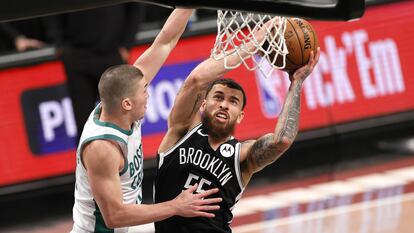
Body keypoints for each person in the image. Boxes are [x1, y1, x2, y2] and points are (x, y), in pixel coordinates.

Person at [153, 20, 321, 232]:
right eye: (218, 97)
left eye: (233, 101)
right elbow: (196, 80)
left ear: (240, 116)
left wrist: (296, 83)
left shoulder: (242, 154)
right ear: (203, 105)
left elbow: (282, 140)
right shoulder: (181, 132)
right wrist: (250, 46)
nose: (224, 104)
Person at [71, 9, 222, 233]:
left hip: (127, 226)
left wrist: (187, 6)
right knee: (183, 217)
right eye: (144, 91)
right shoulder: (102, 148)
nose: (148, 93)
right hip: (105, 229)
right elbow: (114, 216)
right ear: (127, 104)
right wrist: (176, 205)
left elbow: (165, 41)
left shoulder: (119, 98)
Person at [47, 3, 144, 138]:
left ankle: (126, 156)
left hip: (111, 54)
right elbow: (53, 11)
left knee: (121, 116)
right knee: (83, 121)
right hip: (77, 56)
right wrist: (60, 45)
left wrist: (126, 44)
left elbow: (135, 7)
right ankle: (87, 158)